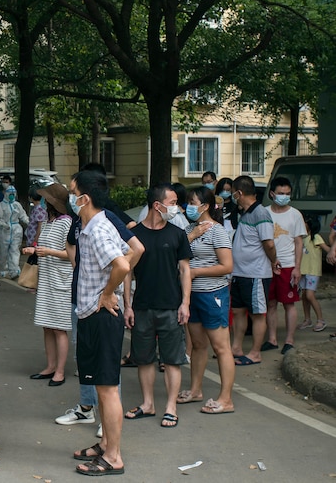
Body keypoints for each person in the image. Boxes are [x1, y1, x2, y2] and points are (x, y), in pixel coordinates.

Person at [66, 170, 130, 476]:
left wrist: (108, 293)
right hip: (92, 313)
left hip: (101, 315)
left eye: (72, 192)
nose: (70, 197)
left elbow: (123, 263)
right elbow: (132, 251)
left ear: (84, 198)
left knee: (107, 390)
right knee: (102, 386)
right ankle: (105, 444)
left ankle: (113, 457)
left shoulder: (98, 229)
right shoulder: (91, 224)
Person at [124, 184, 191, 429]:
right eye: (172, 203)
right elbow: (127, 272)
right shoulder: (135, 236)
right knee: (144, 359)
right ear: (157, 205)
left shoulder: (177, 234)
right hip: (142, 306)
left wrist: (185, 303)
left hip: (171, 307)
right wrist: (128, 305)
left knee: (172, 360)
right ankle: (148, 404)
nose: (176, 208)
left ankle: (171, 408)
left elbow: (185, 270)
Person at [178, 186, 235, 414]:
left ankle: (226, 399)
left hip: (213, 294)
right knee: (198, 345)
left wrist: (195, 273)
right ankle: (195, 390)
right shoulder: (190, 228)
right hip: (192, 295)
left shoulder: (217, 231)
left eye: (192, 202)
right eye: (188, 202)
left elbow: (227, 266)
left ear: (206, 206)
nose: (188, 207)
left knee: (221, 347)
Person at [22, 184, 72, 387]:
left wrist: (47, 252)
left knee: (59, 328)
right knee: (47, 325)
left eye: (45, 199)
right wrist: (34, 251)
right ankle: (50, 366)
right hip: (47, 278)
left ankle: (60, 370)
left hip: (61, 280)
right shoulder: (49, 221)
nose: (42, 202)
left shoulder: (66, 222)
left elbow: (71, 254)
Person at [230, 175, 278, 366]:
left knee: (257, 314)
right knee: (239, 311)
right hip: (240, 273)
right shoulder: (246, 213)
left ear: (239, 192)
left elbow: (269, 244)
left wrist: (274, 261)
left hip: (255, 274)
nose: (233, 196)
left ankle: (255, 352)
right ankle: (236, 348)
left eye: (234, 192)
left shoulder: (261, 214)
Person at [263, 177, 307, 354]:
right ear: (272, 194)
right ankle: (272, 339)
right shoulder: (264, 213)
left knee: (289, 304)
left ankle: (289, 340)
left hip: (288, 266)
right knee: (270, 304)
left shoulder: (295, 214)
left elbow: (298, 243)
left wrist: (297, 267)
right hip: (267, 265)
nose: (284, 197)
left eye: (287, 194)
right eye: (281, 194)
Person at [299, 215, 328, 333]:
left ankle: (321, 320)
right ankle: (307, 319)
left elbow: (327, 249)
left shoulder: (316, 237)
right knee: (304, 296)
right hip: (303, 271)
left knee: (310, 295)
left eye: (305, 222)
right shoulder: (302, 238)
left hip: (313, 271)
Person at [0, 184, 28, 279]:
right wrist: (3, 224)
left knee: (14, 250)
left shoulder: (17, 205)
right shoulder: (1, 205)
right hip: (4, 231)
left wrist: (29, 222)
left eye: (13, 194)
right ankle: (2, 268)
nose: (12, 195)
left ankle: (14, 269)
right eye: (10, 193)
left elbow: (23, 215)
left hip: (16, 229)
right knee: (3, 251)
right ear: (6, 194)